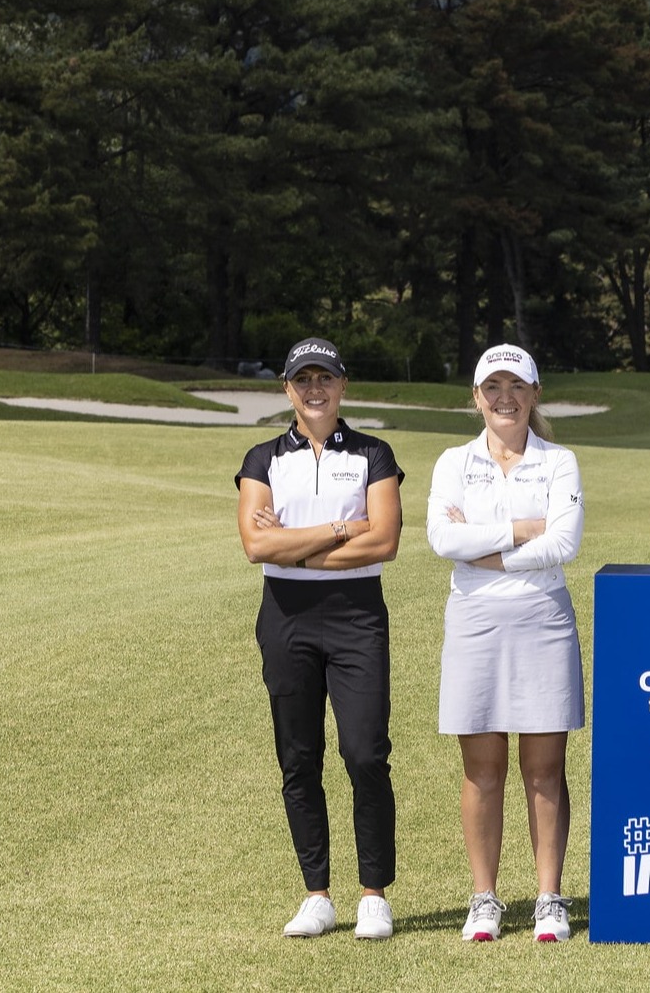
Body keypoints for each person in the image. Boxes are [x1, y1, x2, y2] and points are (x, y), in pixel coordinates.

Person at [234, 337, 405, 941]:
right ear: (287, 389)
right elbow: (257, 547)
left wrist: (296, 547)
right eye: (302, 380)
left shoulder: (372, 454)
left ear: (342, 386)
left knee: (364, 753)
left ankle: (373, 894)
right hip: (286, 618)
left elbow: (382, 540)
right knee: (298, 755)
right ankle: (317, 894)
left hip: (357, 616)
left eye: (324, 379)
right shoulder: (262, 459)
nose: (314, 390)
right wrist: (338, 529)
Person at [426, 344, 586, 944]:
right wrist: (522, 530)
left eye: (516, 386)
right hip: (474, 620)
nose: (504, 398)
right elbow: (443, 538)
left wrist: (484, 547)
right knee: (481, 768)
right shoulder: (452, 461)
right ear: (476, 397)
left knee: (545, 768)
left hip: (543, 617)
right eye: (492, 387)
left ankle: (549, 898)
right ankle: (485, 898)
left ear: (534, 394)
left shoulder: (559, 461)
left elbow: (564, 543)